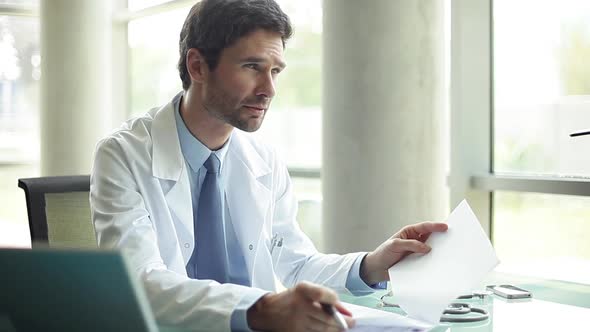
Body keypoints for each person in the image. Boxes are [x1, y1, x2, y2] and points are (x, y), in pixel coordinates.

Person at [90, 0, 448, 331]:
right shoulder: (123, 155)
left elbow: (296, 264)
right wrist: (259, 308)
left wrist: (371, 264)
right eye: (252, 67)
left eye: (275, 71)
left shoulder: (264, 160)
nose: (269, 89)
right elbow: (140, 281)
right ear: (197, 65)